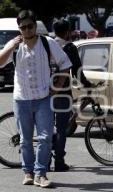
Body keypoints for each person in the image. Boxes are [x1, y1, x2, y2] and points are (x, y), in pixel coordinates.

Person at [0, 10, 72, 187]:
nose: (26, 30)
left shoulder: (48, 43)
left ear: (35, 26)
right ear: (19, 28)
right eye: (22, 27)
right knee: (25, 139)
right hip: (21, 99)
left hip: (43, 99)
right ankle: (28, 172)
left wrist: (56, 87)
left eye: (29, 26)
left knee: (45, 138)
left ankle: (41, 174)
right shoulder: (15, 45)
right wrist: (9, 48)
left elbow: (65, 64)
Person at [52, 19, 93, 172]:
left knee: (47, 127)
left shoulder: (47, 44)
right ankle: (59, 161)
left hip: (46, 92)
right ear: (68, 31)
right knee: (62, 128)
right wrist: (88, 84)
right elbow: (77, 71)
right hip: (63, 93)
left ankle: (46, 158)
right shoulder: (69, 47)